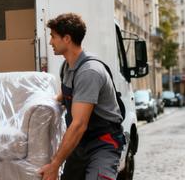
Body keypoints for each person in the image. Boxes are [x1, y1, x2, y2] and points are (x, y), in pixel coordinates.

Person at [38, 13, 126, 180]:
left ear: (67, 39)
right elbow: (66, 96)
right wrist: (39, 105)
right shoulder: (67, 66)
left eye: (53, 36)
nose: (50, 42)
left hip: (103, 143)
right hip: (80, 144)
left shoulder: (89, 71)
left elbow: (79, 125)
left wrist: (54, 165)